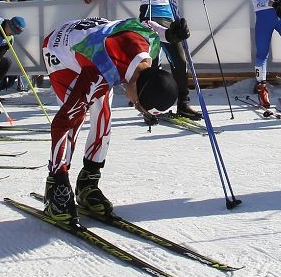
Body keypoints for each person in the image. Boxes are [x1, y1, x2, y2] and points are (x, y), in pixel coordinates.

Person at [39, 16, 183, 225]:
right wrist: (58, 176)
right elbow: (61, 123)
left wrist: (168, 34)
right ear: (136, 88)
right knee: (76, 116)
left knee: (103, 113)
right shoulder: (101, 71)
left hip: (95, 39)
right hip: (60, 50)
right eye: (137, 105)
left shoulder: (150, 48)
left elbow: (146, 25)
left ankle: (88, 182)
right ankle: (56, 186)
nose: (134, 105)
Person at [132, 0, 202, 120]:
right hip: (150, 14)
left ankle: (183, 103)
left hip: (169, 15)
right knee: (151, 64)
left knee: (180, 61)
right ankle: (147, 105)